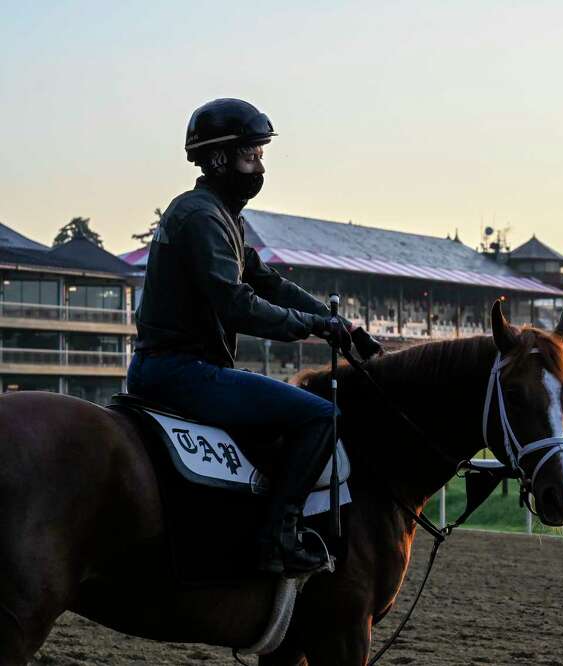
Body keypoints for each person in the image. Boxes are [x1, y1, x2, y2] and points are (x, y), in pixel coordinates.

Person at [127, 98, 382, 576]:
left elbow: (269, 282)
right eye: (252, 154)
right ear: (220, 158)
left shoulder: (222, 215)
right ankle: (277, 537)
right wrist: (313, 327)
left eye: (262, 153)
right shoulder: (202, 218)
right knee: (320, 416)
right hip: (181, 372)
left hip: (182, 367)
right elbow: (236, 302)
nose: (260, 165)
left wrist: (341, 325)